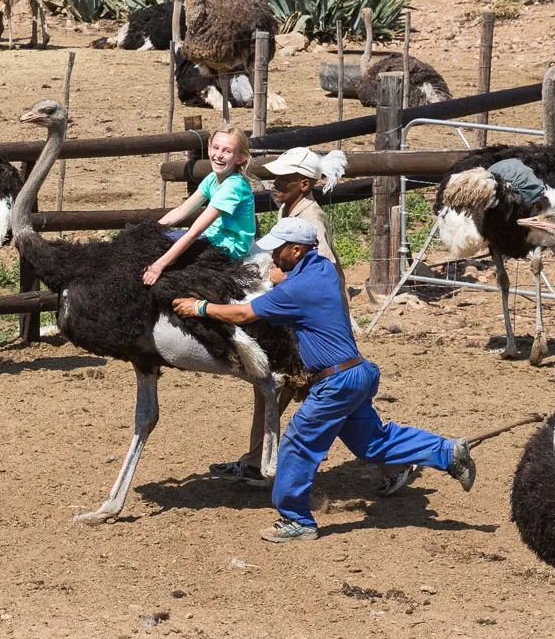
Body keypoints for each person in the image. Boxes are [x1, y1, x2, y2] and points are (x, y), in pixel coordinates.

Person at [173, 216, 476, 543]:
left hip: (335, 383)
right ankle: (446, 452)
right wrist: (285, 274)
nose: (273, 255)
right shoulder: (323, 271)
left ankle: (296, 520)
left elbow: (245, 314)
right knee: (373, 442)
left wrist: (201, 307)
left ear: (298, 249)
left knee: (297, 444)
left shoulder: (297, 288)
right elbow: (298, 279)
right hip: (356, 373)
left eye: (279, 250)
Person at [208, 145, 412, 497]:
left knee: (326, 397)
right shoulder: (291, 208)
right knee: (296, 391)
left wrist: (277, 283)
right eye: (274, 178)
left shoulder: (309, 217)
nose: (275, 183)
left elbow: (324, 273)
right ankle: (257, 461)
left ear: (304, 184)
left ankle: (394, 462)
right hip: (302, 322)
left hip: (312, 326)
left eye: (283, 179)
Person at [142, 124, 255, 285]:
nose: (219, 155)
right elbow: (181, 211)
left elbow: (195, 231)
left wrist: (159, 265)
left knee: (164, 253)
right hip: (213, 237)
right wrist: (151, 231)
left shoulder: (233, 187)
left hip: (229, 247)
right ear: (209, 148)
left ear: (241, 158)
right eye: (216, 148)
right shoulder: (212, 179)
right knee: (157, 242)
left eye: (227, 151)